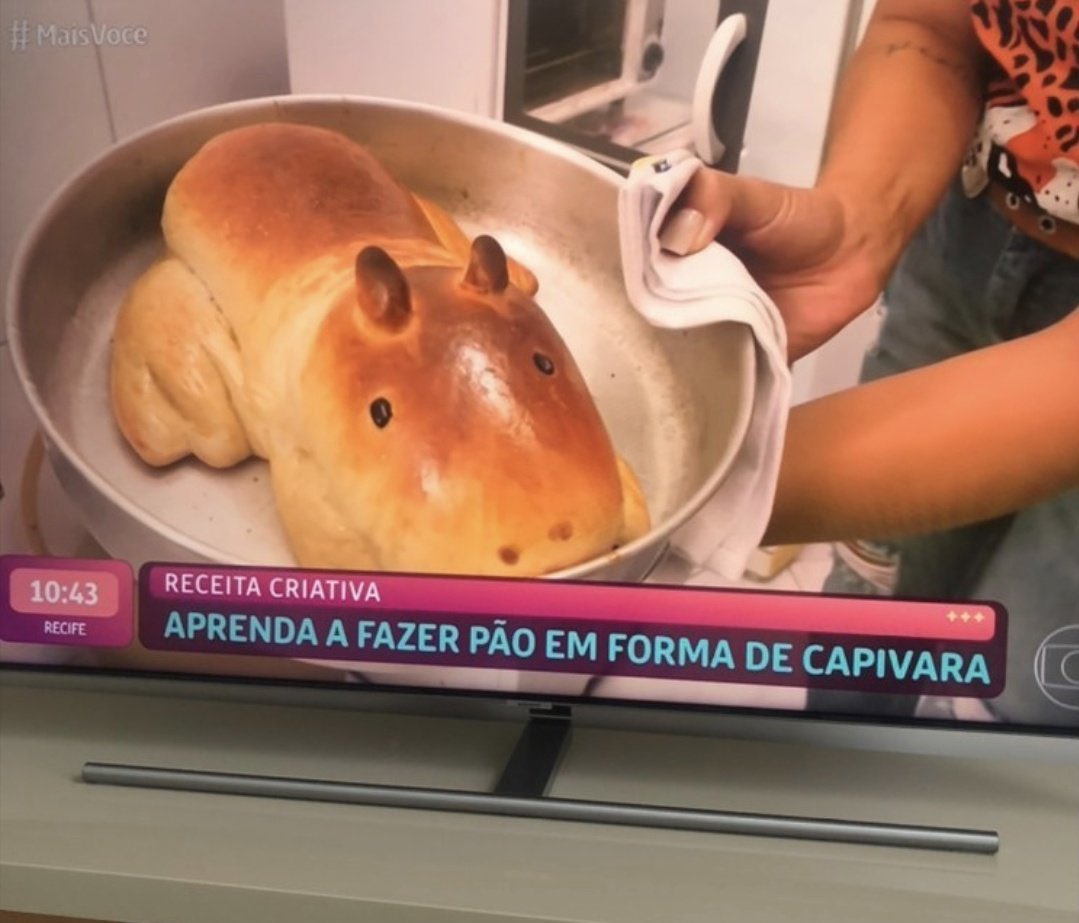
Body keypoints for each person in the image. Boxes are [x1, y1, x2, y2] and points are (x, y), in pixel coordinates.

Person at [661, 0, 1079, 725]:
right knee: (871, 611)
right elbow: (926, 27)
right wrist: (858, 219)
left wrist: (688, 487)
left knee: (1025, 698)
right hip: (966, 225)